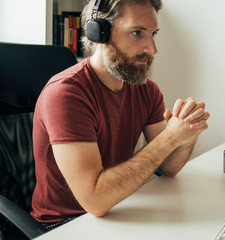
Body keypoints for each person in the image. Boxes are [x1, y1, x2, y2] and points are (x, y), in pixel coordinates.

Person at [30, 0, 210, 228]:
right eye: (137, 33)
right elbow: (94, 201)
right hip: (63, 225)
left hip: (119, 209)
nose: (152, 48)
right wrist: (170, 137)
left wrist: (188, 130)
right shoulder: (66, 94)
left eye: (153, 33)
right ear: (99, 33)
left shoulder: (147, 90)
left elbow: (169, 167)